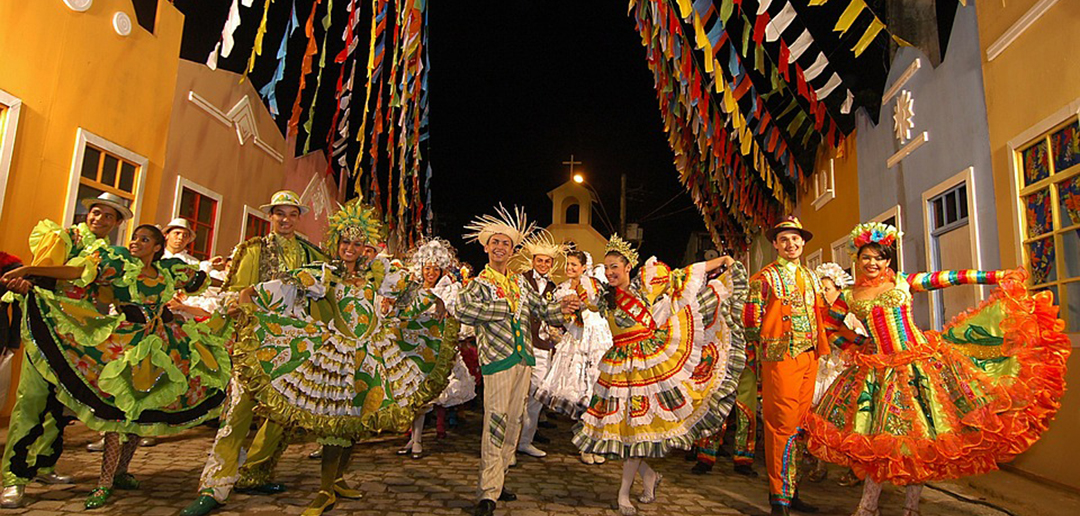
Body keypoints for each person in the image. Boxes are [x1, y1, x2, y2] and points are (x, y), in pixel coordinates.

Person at [802, 222, 1071, 516]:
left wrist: (996, 276)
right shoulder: (850, 296)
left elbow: (950, 278)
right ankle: (868, 508)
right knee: (879, 443)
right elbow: (829, 326)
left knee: (921, 442)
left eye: (879, 257)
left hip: (919, 367)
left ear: (888, 260)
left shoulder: (904, 282)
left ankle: (911, 508)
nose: (872, 263)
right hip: (877, 373)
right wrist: (857, 343)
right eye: (866, 257)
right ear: (857, 259)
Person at [232, 201, 456, 516]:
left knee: (355, 422)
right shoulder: (327, 274)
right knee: (336, 424)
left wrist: (434, 303)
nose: (350, 248)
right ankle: (324, 490)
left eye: (357, 243)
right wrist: (252, 294)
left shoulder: (377, 273)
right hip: (337, 356)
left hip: (371, 355)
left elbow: (408, 291)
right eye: (345, 242)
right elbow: (289, 286)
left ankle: (337, 479)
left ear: (365, 246)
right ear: (336, 242)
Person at [1, 224, 230, 508]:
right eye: (134, 237)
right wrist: (29, 270)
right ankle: (104, 482)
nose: (135, 242)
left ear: (157, 247)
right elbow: (76, 271)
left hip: (163, 344)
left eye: (143, 239)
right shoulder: (119, 264)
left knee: (142, 408)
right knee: (118, 411)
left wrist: (242, 285)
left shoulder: (170, 271)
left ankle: (121, 471)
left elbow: (206, 280)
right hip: (128, 344)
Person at [572, 235, 748, 516]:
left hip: (646, 365)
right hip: (618, 367)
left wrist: (723, 261)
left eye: (615, 266)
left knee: (637, 430)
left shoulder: (647, 284)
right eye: (606, 268)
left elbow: (684, 275)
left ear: (628, 266)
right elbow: (578, 301)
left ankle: (623, 493)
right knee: (627, 431)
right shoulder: (603, 295)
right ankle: (650, 476)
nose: (610, 272)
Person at [181, 190, 326, 516]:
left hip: (295, 346)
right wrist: (245, 302)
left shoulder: (311, 255)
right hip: (255, 343)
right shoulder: (253, 250)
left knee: (284, 413)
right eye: (279, 213)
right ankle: (214, 486)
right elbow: (232, 295)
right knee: (237, 412)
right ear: (270, 216)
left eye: (291, 214)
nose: (285, 220)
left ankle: (255, 472)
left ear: (298, 218)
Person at [0, 192, 130, 508]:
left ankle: (45, 464)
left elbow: (102, 289)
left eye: (108, 216)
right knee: (32, 398)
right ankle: (14, 478)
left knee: (62, 402)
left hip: (80, 332)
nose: (100, 219)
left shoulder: (109, 254)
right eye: (96, 212)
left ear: (116, 223)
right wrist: (27, 277)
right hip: (46, 326)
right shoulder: (62, 236)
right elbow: (45, 272)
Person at [456, 205, 578, 516]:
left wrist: (563, 307)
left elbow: (542, 310)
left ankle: (499, 479)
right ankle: (487, 491)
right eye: (495, 242)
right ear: (486, 248)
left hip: (523, 359)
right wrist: (504, 309)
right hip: (498, 361)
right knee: (496, 421)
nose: (500, 247)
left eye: (506, 243)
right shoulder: (479, 284)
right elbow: (463, 311)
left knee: (513, 422)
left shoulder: (520, 283)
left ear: (512, 250)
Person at [744, 216, 830, 516]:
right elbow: (750, 321)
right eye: (784, 240)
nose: (791, 244)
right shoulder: (764, 278)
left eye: (795, 239)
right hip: (780, 357)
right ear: (776, 245)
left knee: (800, 423)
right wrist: (764, 350)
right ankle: (778, 496)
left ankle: (792, 490)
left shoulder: (812, 277)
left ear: (803, 243)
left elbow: (822, 314)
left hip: (809, 355)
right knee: (780, 423)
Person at [398, 238, 476, 459]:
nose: (430, 273)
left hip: (434, 350)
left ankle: (418, 440)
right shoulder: (411, 289)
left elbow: (452, 314)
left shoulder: (449, 290)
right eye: (427, 268)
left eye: (435, 269)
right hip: (411, 349)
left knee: (425, 396)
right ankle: (413, 438)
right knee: (411, 395)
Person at [534, 249, 613, 465]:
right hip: (576, 343)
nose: (569, 268)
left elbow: (602, 309)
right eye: (567, 264)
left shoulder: (595, 285)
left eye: (574, 265)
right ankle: (584, 445)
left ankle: (596, 443)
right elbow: (558, 318)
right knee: (581, 394)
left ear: (584, 267)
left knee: (596, 393)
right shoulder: (562, 289)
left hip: (597, 341)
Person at [803, 262, 856, 484]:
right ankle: (820, 464)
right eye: (821, 289)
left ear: (839, 289)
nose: (823, 294)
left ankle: (854, 468)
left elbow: (856, 340)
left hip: (842, 370)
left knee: (848, 420)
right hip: (821, 370)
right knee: (819, 419)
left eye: (827, 289)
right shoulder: (815, 314)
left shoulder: (850, 314)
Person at [514, 231, 566, 459]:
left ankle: (526, 441)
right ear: (532, 261)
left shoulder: (555, 288)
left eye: (547, 261)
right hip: (521, 344)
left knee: (536, 396)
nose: (543, 264)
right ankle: (510, 444)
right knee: (517, 396)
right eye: (540, 260)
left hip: (543, 347)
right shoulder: (520, 280)